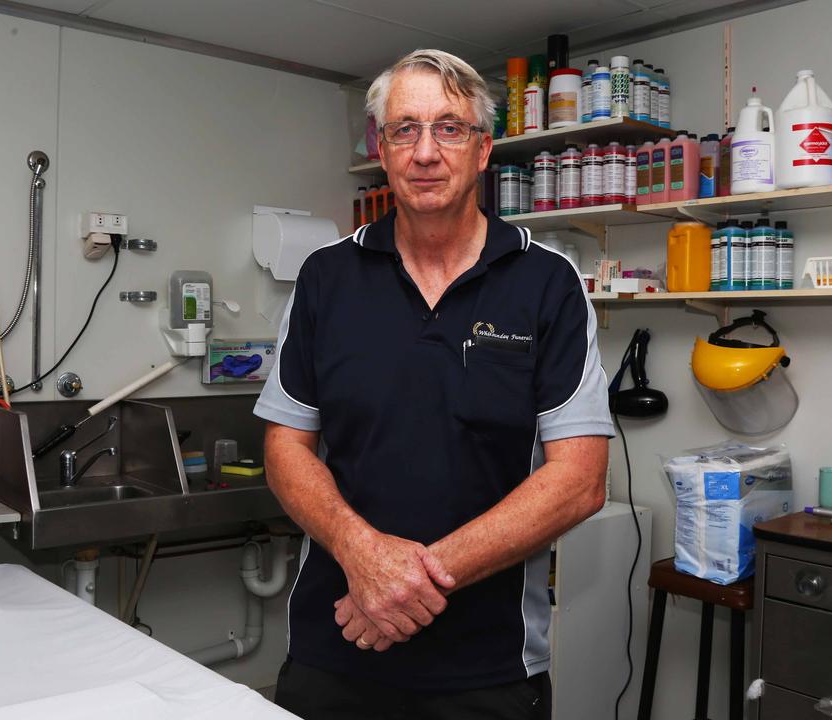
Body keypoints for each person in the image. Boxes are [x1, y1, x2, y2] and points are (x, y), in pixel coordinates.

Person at [254, 48, 613, 720]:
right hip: (335, 648)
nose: (425, 151)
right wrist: (364, 557)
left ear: (483, 150)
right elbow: (285, 448)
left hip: (488, 666)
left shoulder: (547, 283)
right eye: (404, 129)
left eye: (449, 128)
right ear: (381, 150)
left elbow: (579, 480)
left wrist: (400, 584)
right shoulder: (327, 278)